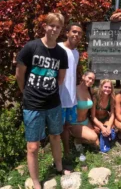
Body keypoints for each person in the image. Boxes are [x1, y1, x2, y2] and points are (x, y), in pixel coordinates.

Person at [15, 12, 69, 188]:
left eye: (58, 26)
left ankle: (59, 167)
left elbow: (60, 79)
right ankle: (36, 182)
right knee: (33, 146)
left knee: (55, 135)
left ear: (61, 30)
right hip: (33, 105)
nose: (54, 29)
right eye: (51, 25)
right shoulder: (31, 47)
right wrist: (26, 92)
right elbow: (19, 74)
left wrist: (49, 91)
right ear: (45, 26)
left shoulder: (61, 53)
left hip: (53, 103)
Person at [58, 23, 82, 157]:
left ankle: (67, 151)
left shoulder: (76, 53)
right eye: (74, 32)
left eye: (79, 33)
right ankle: (60, 154)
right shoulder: (58, 48)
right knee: (57, 127)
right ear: (67, 33)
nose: (76, 35)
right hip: (58, 97)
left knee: (67, 126)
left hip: (70, 98)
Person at [70, 71, 99, 150]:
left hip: (86, 121)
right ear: (83, 77)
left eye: (93, 80)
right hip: (75, 123)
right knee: (94, 137)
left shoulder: (91, 91)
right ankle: (77, 140)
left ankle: (80, 139)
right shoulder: (74, 90)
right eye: (89, 78)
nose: (90, 81)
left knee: (97, 144)